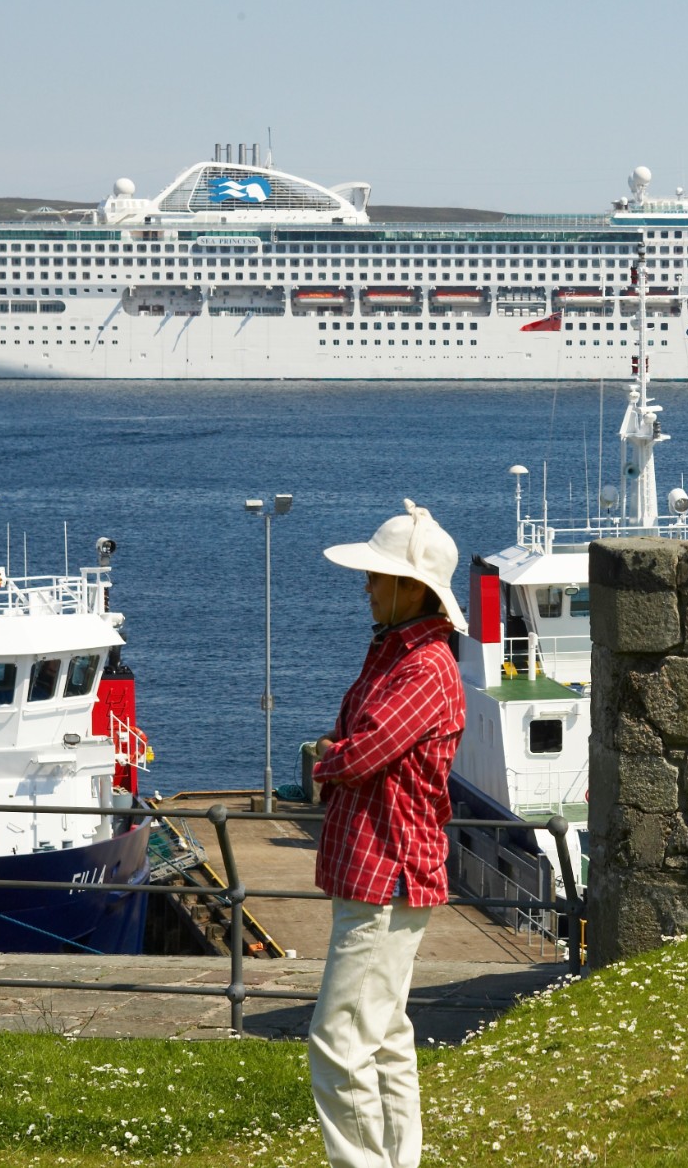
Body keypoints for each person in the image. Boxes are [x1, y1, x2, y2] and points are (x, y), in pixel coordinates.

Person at [308, 500, 468, 1168]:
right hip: (382, 870)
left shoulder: (425, 668)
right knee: (386, 1036)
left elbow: (362, 753)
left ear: (412, 588)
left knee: (338, 1040)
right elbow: (365, 747)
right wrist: (339, 752)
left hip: (388, 871)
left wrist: (326, 757)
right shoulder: (400, 654)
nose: (367, 586)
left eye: (378, 576)